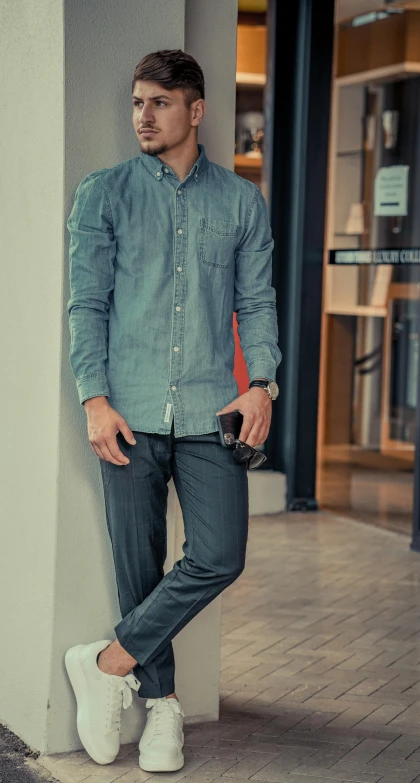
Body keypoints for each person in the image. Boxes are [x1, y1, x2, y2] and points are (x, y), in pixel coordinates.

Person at [64, 49, 282, 774]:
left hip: (207, 408)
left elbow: (255, 304)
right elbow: (86, 305)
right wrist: (93, 400)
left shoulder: (241, 203)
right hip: (124, 410)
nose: (143, 117)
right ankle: (161, 709)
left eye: (159, 102)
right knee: (139, 564)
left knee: (219, 553)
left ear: (197, 109)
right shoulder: (104, 194)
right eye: (136, 103)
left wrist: (265, 384)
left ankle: (106, 661)